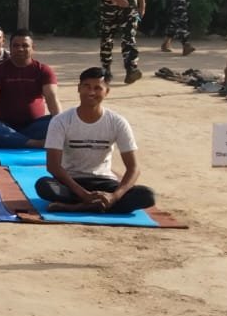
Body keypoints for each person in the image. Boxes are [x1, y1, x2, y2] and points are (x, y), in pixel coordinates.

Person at [35, 68, 157, 213]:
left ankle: (78, 207)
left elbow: (133, 168)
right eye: (87, 86)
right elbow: (53, 167)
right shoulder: (61, 121)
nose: (91, 92)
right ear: (79, 88)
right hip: (71, 182)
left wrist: (114, 196)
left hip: (104, 182)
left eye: (97, 88)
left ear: (107, 92)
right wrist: (84, 194)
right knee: (44, 186)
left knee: (147, 195)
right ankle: (97, 205)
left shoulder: (117, 122)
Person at [0, 29, 61, 149]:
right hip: (3, 124)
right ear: (10, 48)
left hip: (34, 125)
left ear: (33, 47)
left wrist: (60, 123)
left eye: (25, 45)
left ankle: (14, 140)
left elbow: (52, 97)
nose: (20, 49)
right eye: (16, 46)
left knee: (58, 122)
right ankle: (35, 143)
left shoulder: (43, 70)